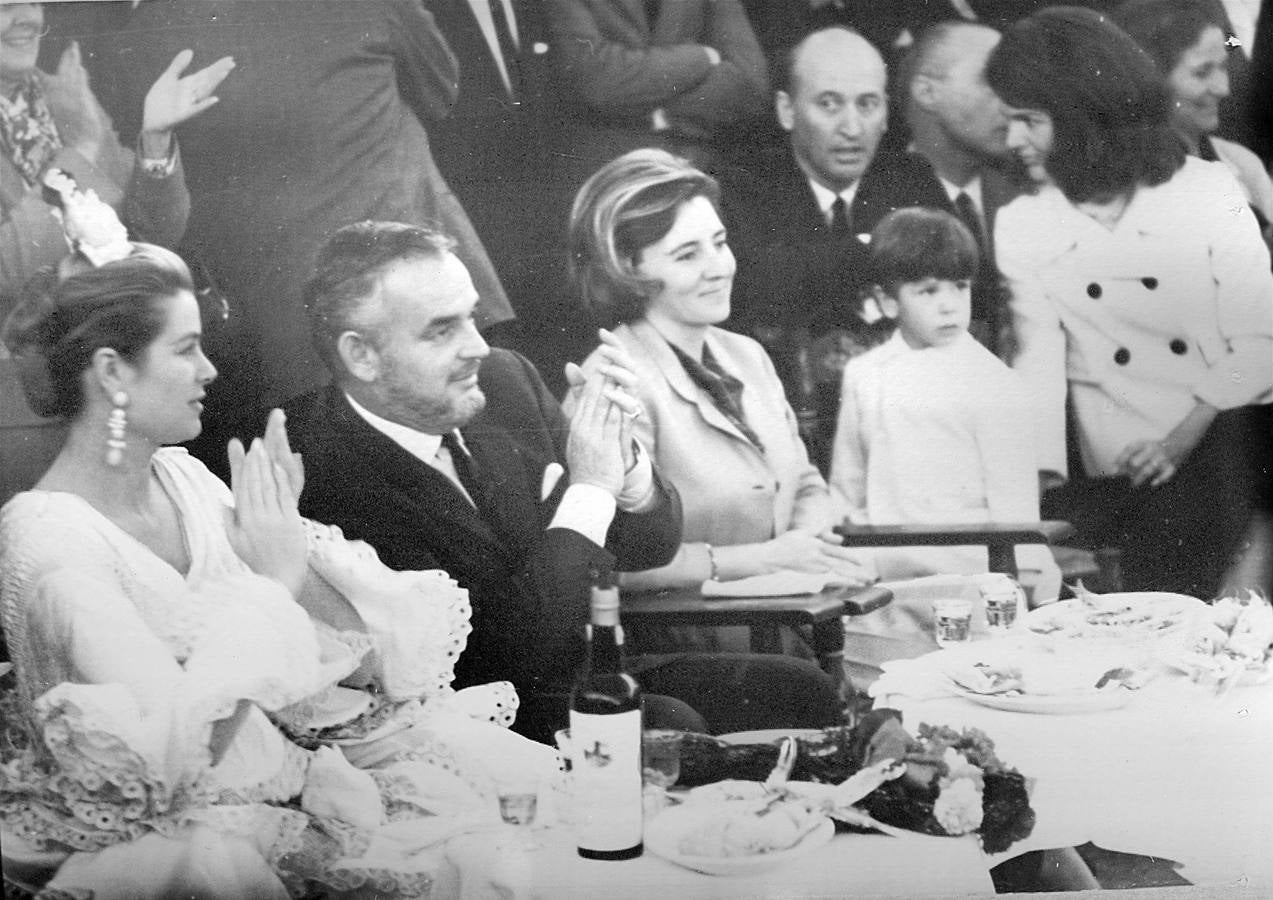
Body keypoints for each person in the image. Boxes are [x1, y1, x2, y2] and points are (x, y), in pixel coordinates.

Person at [0, 235, 558, 899]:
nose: (210, 371)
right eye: (185, 350)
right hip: (168, 840)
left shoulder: (183, 478)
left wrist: (287, 546)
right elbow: (174, 763)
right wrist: (270, 585)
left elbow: (364, 665)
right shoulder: (50, 540)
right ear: (114, 373)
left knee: (531, 815)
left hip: (285, 782)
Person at [286, 220, 845, 738]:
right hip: (471, 715)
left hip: (578, 673)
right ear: (360, 356)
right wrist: (590, 489)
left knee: (800, 691)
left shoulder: (504, 382)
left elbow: (647, 545)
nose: (478, 346)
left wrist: (624, 467)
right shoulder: (322, 467)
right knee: (663, 723)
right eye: (441, 331)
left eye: (472, 318)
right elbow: (508, 653)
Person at [81, 0, 517, 474]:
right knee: (503, 489)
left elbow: (154, 210)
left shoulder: (148, 27)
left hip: (293, 347)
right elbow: (441, 91)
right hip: (431, 310)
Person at [987, 6, 1273, 598]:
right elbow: (1038, 370)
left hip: (1211, 459)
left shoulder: (1207, 191)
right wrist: (1031, 505)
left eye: (1029, 120)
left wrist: (1176, 440)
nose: (1014, 140)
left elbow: (1261, 340)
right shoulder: (1024, 222)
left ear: (1078, 114)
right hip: (1107, 481)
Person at [566, 147, 872, 684]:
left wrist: (807, 549)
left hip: (794, 623)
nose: (719, 267)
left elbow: (804, 483)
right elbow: (609, 562)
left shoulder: (746, 355)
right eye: (687, 255)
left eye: (720, 242)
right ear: (629, 270)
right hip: (683, 653)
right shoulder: (613, 380)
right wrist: (770, 559)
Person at [0, 1, 231, 506]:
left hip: (107, 396)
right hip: (20, 412)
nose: (26, 18)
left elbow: (145, 239)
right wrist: (78, 154)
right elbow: (11, 265)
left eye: (32, 2)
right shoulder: (72, 118)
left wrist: (155, 138)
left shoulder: (59, 93)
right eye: (5, 4)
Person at [828, 207, 1060, 663]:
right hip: (884, 577)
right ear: (889, 300)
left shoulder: (994, 382)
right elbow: (847, 483)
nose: (950, 304)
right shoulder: (865, 375)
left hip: (974, 575)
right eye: (928, 291)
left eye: (960, 287)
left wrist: (1023, 573)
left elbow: (1013, 499)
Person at [893, 21, 1027, 350]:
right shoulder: (884, 201)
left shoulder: (1028, 192)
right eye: (990, 80)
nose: (1011, 102)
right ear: (926, 92)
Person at [543, 0, 770, 183]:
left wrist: (663, 114)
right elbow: (597, 80)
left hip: (697, 172)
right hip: (610, 180)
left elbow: (750, 82)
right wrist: (701, 57)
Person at [1113, 0, 1273, 244]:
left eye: (1223, 67)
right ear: (1150, 80)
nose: (1224, 89)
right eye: (1201, 72)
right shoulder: (1122, 184)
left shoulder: (1241, 164)